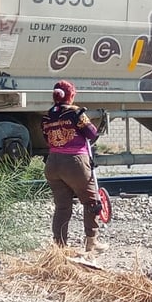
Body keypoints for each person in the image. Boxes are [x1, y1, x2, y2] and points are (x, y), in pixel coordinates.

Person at [41, 80, 109, 253]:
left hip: (52, 163)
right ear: (71, 95)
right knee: (92, 201)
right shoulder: (76, 113)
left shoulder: (46, 117)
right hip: (75, 162)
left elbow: (46, 137)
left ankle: (60, 246)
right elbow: (91, 133)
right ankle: (91, 242)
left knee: (62, 206)